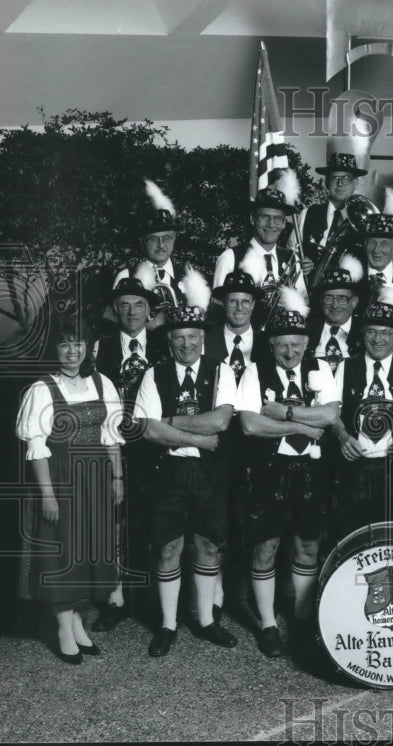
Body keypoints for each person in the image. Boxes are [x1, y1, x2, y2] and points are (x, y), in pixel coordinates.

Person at [133, 299, 240, 657]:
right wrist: (197, 438)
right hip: (169, 471)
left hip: (211, 473)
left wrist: (171, 421)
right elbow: (148, 431)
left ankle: (207, 620)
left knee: (209, 545)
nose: (186, 345)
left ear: (202, 338)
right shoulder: (154, 374)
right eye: (179, 338)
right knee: (168, 547)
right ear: (169, 341)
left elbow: (221, 422)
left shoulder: (222, 371)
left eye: (193, 337)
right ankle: (167, 624)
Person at [16, 317, 125, 664]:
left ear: (88, 348)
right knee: (63, 554)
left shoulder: (102, 382)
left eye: (78, 343)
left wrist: (117, 478)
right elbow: (36, 446)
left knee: (88, 552)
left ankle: (78, 625)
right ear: (55, 350)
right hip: (61, 480)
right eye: (65, 344)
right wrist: (47, 495)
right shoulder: (41, 389)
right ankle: (64, 629)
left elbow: (111, 438)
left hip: (96, 478)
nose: (72, 350)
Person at [234, 298, 339, 659]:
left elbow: (329, 415)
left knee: (308, 545)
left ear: (307, 344)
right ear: (270, 345)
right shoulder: (253, 372)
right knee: (266, 547)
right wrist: (299, 426)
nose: (290, 351)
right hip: (269, 470)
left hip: (311, 471)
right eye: (282, 344)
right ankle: (267, 624)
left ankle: (302, 619)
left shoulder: (321, 366)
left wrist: (283, 412)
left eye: (296, 343)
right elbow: (249, 424)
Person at [91, 276, 169, 631]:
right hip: (113, 447)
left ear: (150, 312)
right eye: (124, 304)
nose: (132, 311)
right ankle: (116, 598)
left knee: (155, 522)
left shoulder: (167, 346)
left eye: (139, 305)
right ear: (114, 311)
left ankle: (152, 601)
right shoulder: (99, 348)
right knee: (114, 524)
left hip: (156, 447)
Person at [331, 288, 393, 532]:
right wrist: (342, 437)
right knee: (355, 536)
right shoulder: (346, 366)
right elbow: (333, 414)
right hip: (356, 470)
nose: (377, 339)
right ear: (362, 334)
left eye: (385, 333)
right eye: (371, 332)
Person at [204, 268, 267, 623]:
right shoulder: (207, 339)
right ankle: (214, 593)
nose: (239, 308)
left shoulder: (270, 339)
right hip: (218, 442)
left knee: (252, 516)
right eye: (233, 301)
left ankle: (246, 592)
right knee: (216, 517)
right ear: (223, 304)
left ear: (254, 305)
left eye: (245, 301)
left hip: (258, 441)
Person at [213, 186, 307, 327]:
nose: (271, 224)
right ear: (252, 219)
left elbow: (302, 306)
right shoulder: (230, 258)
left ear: (283, 224)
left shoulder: (292, 259)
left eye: (277, 219)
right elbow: (217, 309)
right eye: (265, 217)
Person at [111, 179, 183, 331]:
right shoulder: (127, 276)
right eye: (153, 239)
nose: (161, 245)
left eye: (167, 238)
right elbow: (114, 324)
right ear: (143, 241)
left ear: (175, 238)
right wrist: (151, 326)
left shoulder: (188, 277)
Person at [301, 148, 367, 285]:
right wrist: (300, 264)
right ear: (326, 182)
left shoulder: (365, 220)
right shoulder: (307, 213)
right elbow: (291, 254)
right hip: (309, 292)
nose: (340, 183)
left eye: (346, 178)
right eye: (334, 178)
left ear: (355, 183)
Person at [306, 260, 364, 370]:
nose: (334, 305)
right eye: (328, 298)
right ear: (321, 301)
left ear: (354, 302)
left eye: (342, 299)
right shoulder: (307, 329)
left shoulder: (364, 332)